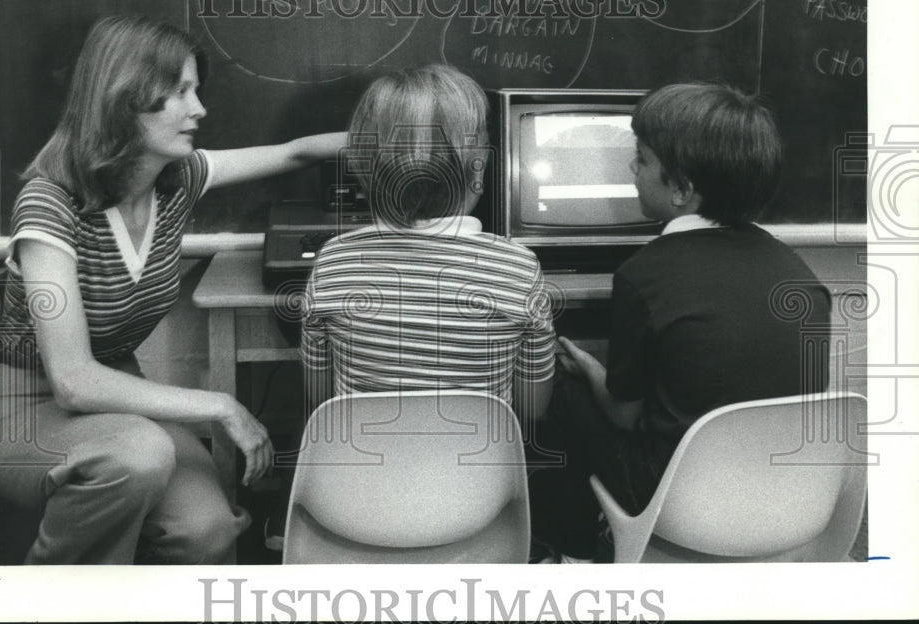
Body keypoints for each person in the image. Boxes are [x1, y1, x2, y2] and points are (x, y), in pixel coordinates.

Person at [0, 15, 345, 564]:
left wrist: (398, 133)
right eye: (178, 94)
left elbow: (295, 152)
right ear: (125, 99)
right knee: (138, 455)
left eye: (197, 90)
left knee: (209, 530)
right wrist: (221, 406)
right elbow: (72, 382)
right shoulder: (50, 205)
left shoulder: (178, 179)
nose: (200, 110)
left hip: (119, 394)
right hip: (25, 410)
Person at [529, 82, 832, 562]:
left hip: (683, 503)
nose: (632, 168)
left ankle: (573, 557)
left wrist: (588, 369)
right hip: (792, 499)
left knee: (564, 391)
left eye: (642, 158)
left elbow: (623, 415)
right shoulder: (800, 275)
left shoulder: (645, 275)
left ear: (682, 190)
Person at [298, 64, 556, 424]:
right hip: (479, 477)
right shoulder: (519, 268)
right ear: (478, 170)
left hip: (363, 475)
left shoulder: (334, 261)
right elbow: (531, 412)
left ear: (364, 169)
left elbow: (321, 401)